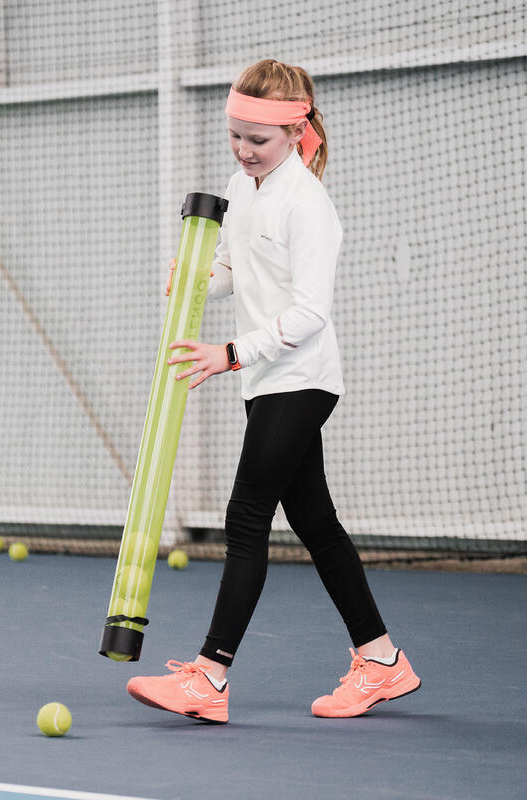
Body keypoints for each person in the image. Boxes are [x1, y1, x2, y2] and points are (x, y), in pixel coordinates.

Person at [127, 59, 420, 723]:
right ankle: (382, 661)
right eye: (235, 135)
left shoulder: (308, 205)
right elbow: (238, 268)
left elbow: (310, 311)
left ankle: (210, 677)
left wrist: (230, 353)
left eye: (257, 139)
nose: (243, 149)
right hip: (266, 380)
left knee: (247, 514)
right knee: (315, 522)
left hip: (301, 378)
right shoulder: (242, 185)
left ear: (296, 131)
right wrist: (198, 278)